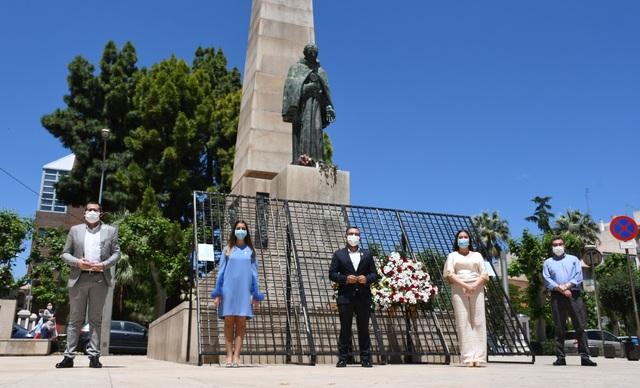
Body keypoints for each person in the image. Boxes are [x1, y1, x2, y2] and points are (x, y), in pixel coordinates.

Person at [55, 201, 121, 369]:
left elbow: (116, 254)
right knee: (75, 319)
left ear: (101, 213)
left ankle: (94, 356)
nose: (92, 212)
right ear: (84, 213)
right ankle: (69, 357)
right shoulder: (75, 230)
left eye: (96, 210)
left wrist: (104, 265)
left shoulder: (110, 231)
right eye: (89, 210)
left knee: (95, 320)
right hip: (79, 279)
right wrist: (77, 262)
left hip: (100, 279)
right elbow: (65, 254)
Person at [211, 220, 264, 368]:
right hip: (229, 290)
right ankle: (228, 357)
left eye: (243, 228)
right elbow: (221, 272)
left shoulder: (251, 251)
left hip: (244, 290)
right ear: (234, 230)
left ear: (247, 231)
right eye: (238, 228)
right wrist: (217, 292)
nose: (240, 230)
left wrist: (256, 293)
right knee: (229, 321)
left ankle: (236, 357)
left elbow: (255, 274)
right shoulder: (228, 249)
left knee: (241, 321)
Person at [543, 236, 597, 367]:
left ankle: (585, 357)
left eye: (560, 244)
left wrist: (566, 287)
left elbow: (578, 276)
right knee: (559, 328)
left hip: (574, 294)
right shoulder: (548, 262)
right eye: (555, 245)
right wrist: (560, 289)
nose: (558, 247)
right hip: (557, 296)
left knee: (580, 326)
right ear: (552, 247)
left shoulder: (573, 259)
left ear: (564, 246)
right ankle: (560, 357)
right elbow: (547, 279)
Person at [328, 226, 378, 368]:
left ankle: (365, 358)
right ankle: (343, 358)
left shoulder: (367, 254)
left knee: (363, 328)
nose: (354, 236)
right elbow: (332, 274)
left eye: (356, 234)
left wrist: (366, 279)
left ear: (360, 237)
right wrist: (345, 279)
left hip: (363, 296)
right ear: (346, 236)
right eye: (351, 233)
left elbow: (374, 274)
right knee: (345, 328)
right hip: (346, 297)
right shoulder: (339, 254)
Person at [282, 43, 336, 164]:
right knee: (303, 132)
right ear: (305, 54)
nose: (313, 57)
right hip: (303, 106)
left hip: (316, 105)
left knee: (317, 130)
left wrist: (328, 107)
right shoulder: (296, 68)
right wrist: (305, 88)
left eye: (315, 55)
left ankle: (319, 160)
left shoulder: (321, 71)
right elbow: (290, 88)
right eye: (311, 55)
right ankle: (303, 159)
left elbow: (325, 94)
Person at [442, 230, 489, 367]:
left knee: (479, 321)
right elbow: (449, 273)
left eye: (465, 237)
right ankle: (468, 357)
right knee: (463, 321)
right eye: (460, 237)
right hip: (458, 288)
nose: (463, 239)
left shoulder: (478, 255)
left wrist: (473, 285)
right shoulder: (452, 256)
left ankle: (479, 357)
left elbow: (484, 273)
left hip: (477, 287)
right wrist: (464, 285)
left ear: (469, 239)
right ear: (457, 240)